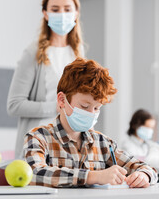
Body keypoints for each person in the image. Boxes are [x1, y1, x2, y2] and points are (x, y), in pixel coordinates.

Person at [23, 58, 157, 188]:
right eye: (85, 106)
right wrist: (93, 176)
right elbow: (34, 174)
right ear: (62, 100)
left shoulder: (103, 143)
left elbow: (148, 169)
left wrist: (144, 175)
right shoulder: (38, 137)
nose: (91, 113)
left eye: (97, 108)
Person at [7, 0, 84, 159]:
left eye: (67, 9)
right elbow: (14, 105)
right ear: (45, 13)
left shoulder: (78, 54)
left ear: (76, 13)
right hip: (38, 145)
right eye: (55, 9)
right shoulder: (33, 53)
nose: (62, 14)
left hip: (69, 147)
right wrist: (56, 107)